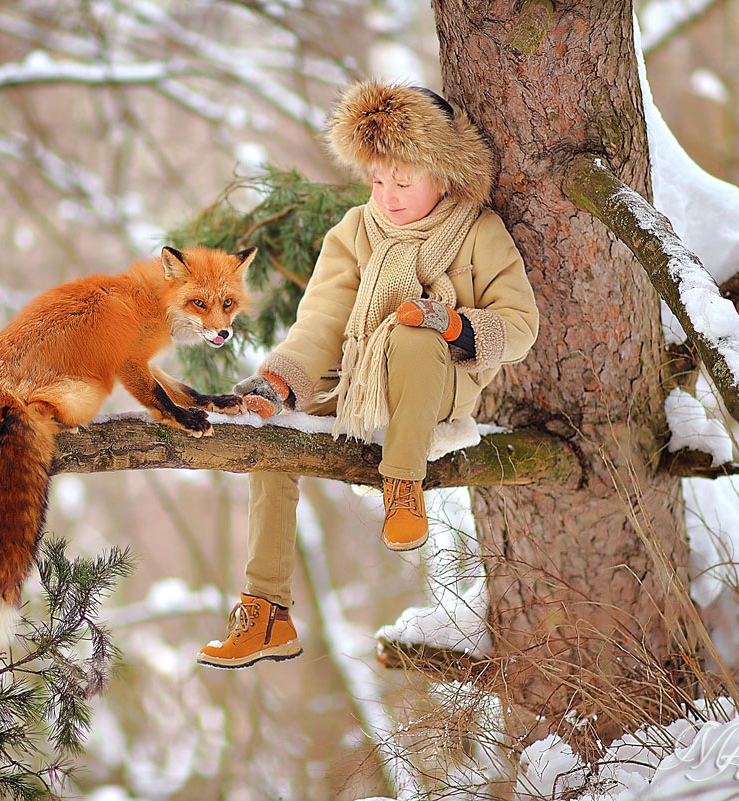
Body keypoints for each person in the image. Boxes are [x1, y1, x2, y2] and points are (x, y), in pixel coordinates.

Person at [196, 80, 539, 670]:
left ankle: (402, 485)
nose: (388, 195)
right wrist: (278, 385)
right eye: (378, 180)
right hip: (354, 382)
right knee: (271, 438)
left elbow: (521, 324)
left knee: (411, 333)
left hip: (434, 389)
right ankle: (267, 610)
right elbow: (323, 320)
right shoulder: (355, 231)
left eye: (403, 182)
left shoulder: (480, 232)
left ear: (445, 172)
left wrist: (452, 325)